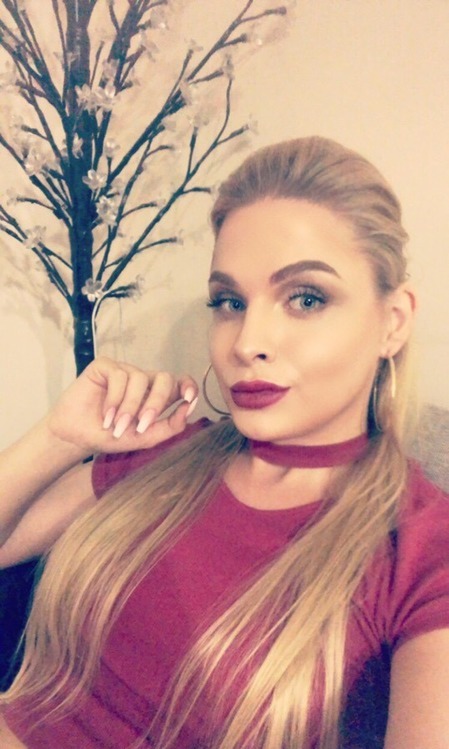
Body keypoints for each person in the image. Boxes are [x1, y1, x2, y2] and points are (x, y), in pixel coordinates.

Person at [1, 136, 449, 749]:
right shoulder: (164, 455)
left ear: (392, 322)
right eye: (230, 302)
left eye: (306, 299)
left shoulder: (423, 553)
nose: (246, 342)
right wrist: (57, 437)